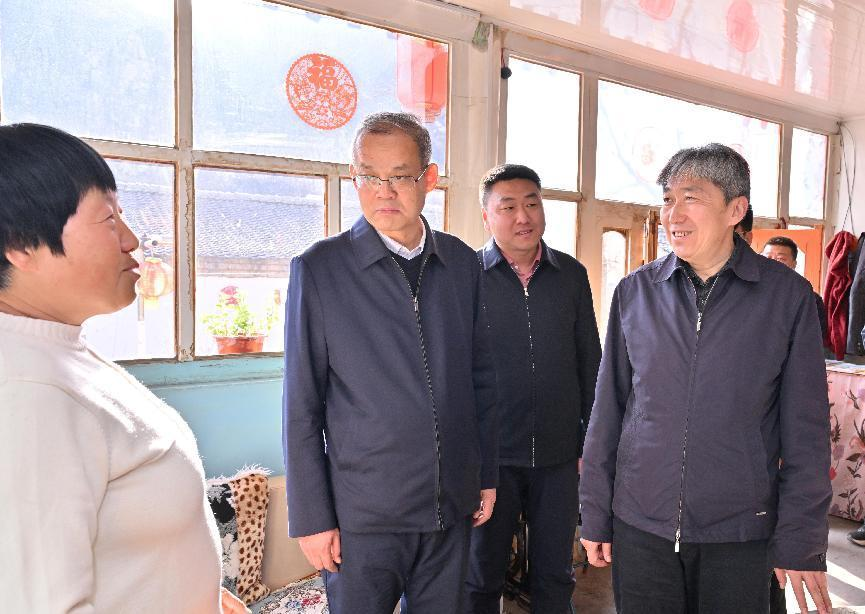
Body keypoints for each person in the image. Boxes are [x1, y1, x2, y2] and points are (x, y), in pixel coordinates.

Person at [0, 124, 249, 614]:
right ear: (22, 245)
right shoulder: (27, 392)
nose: (132, 240)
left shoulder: (57, 351)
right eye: (108, 218)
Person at [579, 143, 832, 614]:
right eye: (667, 199)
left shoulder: (787, 298)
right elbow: (608, 410)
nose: (673, 214)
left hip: (741, 530)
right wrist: (594, 510)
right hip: (642, 525)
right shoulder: (636, 292)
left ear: (736, 210)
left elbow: (807, 430)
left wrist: (801, 537)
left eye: (691, 198)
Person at [283, 111, 498, 614]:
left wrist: (484, 474)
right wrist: (312, 518)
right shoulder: (320, 269)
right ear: (353, 177)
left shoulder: (461, 263)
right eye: (369, 176)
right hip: (364, 518)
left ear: (429, 178)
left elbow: (482, 382)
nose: (383, 192)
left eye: (399, 176)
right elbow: (301, 404)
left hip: (449, 507)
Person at [465, 164, 601, 613]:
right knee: (481, 571)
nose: (523, 217)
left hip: (560, 455)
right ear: (487, 216)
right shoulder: (467, 276)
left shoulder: (571, 275)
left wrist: (591, 443)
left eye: (532, 203)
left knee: (555, 572)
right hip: (491, 458)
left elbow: (591, 363)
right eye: (508, 207)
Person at [762, 235, 829, 341]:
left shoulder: (810, 299)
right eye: (767, 258)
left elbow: (814, 339)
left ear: (794, 264)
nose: (773, 263)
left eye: (780, 259)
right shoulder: (747, 293)